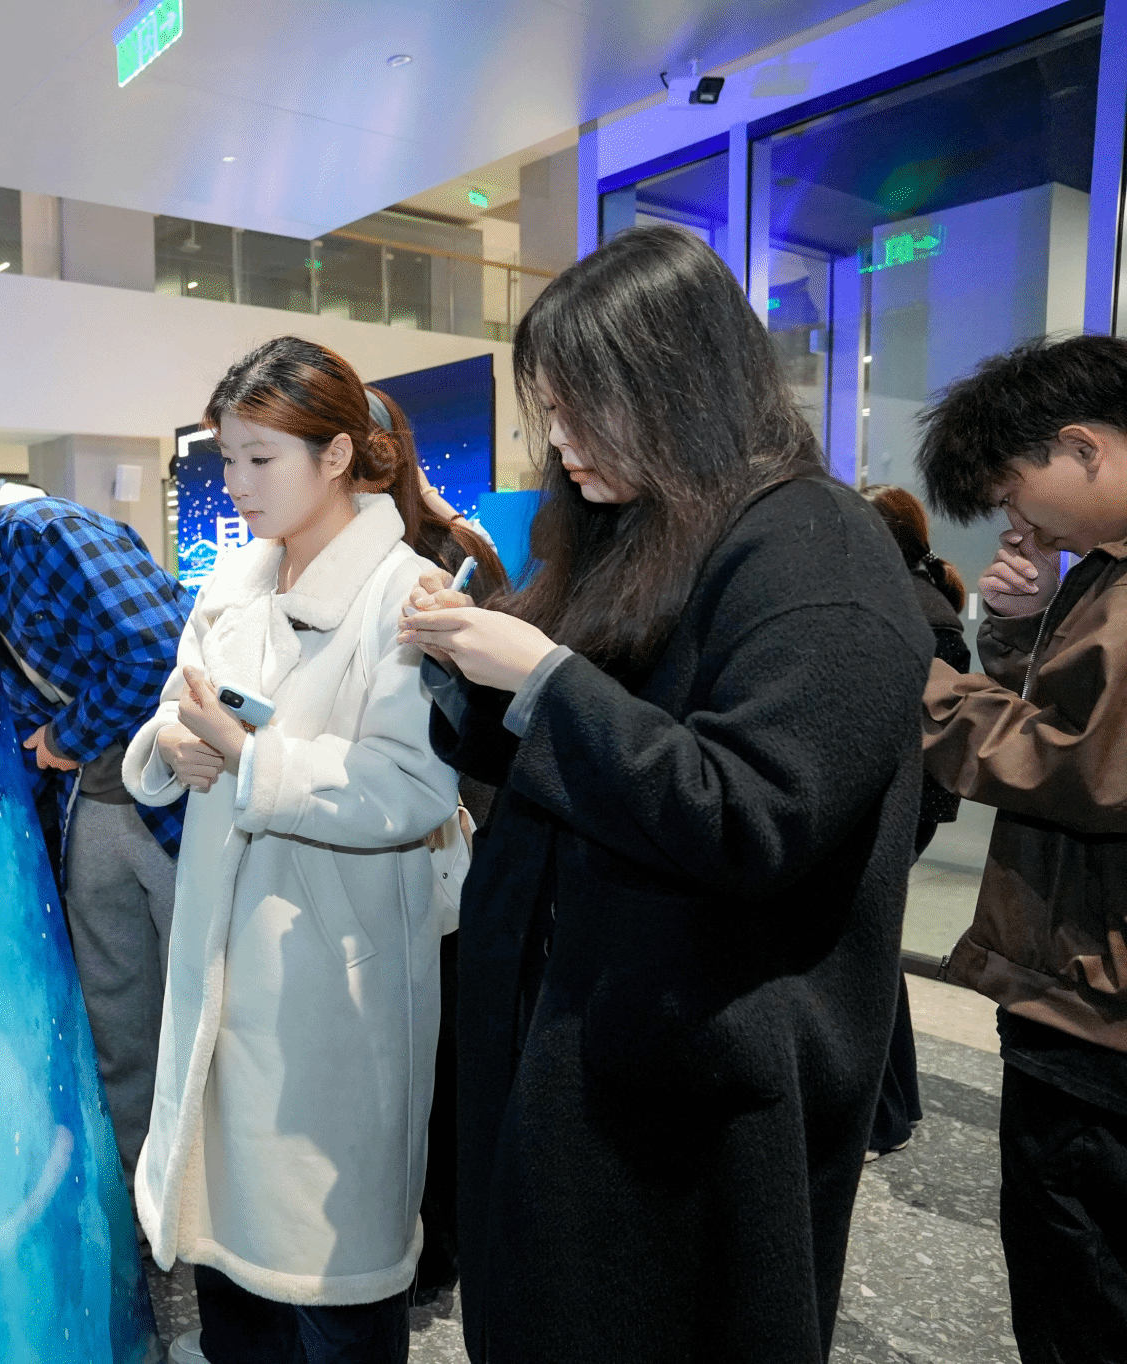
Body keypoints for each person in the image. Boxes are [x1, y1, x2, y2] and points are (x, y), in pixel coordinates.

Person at [400, 224, 929, 1364]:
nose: (559, 441)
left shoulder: (815, 550)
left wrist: (541, 676)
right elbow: (581, 761)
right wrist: (466, 674)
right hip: (583, 1044)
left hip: (692, 1085)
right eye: (548, 410)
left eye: (582, 408)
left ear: (677, 387)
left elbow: (749, 812)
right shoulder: (647, 529)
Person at [123, 335, 464, 1363]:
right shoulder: (230, 583)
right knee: (233, 1281)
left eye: (260, 457)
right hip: (222, 956)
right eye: (227, 457)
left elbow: (412, 787)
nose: (235, 482)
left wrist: (255, 761)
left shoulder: (405, 597)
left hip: (334, 976)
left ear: (336, 455)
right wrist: (173, 746)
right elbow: (174, 708)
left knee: (331, 1275)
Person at [914, 333, 1127, 1363]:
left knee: (1079, 1290)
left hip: (1096, 1005)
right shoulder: (1102, 569)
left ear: (1082, 446)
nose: (1016, 521)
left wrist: (924, 688)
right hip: (1077, 981)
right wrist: (1020, 626)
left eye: (1014, 489)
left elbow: (1089, 768)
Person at [0, 453, 194, 1190]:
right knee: (117, 1018)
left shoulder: (42, 533)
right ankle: (141, 1198)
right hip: (89, 805)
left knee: (201, 1007)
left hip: (178, 790)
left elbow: (156, 653)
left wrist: (64, 737)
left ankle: (207, 1202)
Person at [367, 383, 505, 1307]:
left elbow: (483, 709)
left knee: (439, 1056)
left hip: (445, 833)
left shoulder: (445, 556)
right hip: (397, 830)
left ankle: (435, 1246)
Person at [861, 483, 973, 1159]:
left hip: (900, 801)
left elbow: (917, 728)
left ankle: (883, 1115)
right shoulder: (914, 602)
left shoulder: (919, 613)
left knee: (863, 947)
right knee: (872, 945)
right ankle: (894, 1106)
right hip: (899, 798)